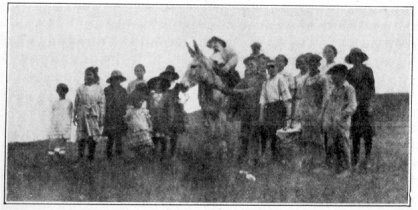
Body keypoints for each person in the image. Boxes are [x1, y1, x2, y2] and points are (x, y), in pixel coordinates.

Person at [222, 57, 265, 165]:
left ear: (257, 67)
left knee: (254, 134)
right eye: (248, 65)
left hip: (256, 109)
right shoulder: (245, 79)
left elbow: (252, 91)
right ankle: (242, 157)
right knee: (244, 134)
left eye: (252, 65)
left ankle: (254, 159)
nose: (249, 67)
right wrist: (227, 90)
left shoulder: (261, 78)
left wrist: (236, 91)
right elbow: (236, 88)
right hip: (245, 110)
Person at [321, 64, 357, 178]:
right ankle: (337, 167)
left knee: (343, 144)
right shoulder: (333, 89)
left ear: (342, 75)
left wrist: (342, 115)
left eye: (335, 75)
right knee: (333, 144)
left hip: (342, 122)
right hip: (333, 122)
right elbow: (329, 104)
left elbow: (352, 106)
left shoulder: (349, 89)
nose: (332, 78)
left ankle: (347, 168)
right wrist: (327, 117)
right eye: (331, 75)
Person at [345, 48, 375, 169]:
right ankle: (355, 160)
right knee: (355, 134)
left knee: (368, 134)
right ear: (351, 59)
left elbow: (372, 88)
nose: (356, 58)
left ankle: (367, 159)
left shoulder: (368, 71)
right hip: (354, 105)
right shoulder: (349, 72)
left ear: (361, 58)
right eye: (353, 56)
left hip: (365, 104)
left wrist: (371, 104)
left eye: (358, 56)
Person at [259, 59, 292, 162]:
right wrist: (261, 114)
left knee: (277, 133)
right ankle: (268, 156)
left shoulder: (280, 79)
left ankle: (278, 158)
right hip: (269, 108)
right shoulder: (265, 83)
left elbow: (286, 97)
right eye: (268, 67)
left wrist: (288, 114)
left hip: (278, 107)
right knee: (266, 132)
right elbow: (263, 98)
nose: (271, 69)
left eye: (273, 67)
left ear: (277, 68)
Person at [299, 53, 328, 168]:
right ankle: (308, 161)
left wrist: (322, 113)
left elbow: (326, 96)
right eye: (310, 63)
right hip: (306, 111)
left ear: (318, 64)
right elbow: (303, 96)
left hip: (317, 111)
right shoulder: (305, 79)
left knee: (317, 137)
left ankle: (319, 162)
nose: (312, 65)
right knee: (306, 137)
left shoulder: (322, 78)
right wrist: (301, 111)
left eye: (314, 63)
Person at [74, 66, 105, 161]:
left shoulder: (99, 88)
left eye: (90, 74)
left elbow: (102, 103)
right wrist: (75, 115)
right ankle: (80, 155)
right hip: (83, 113)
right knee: (82, 135)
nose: (88, 77)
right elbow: (77, 102)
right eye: (86, 75)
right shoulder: (80, 88)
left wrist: (101, 116)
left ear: (94, 76)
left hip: (94, 113)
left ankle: (91, 156)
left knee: (93, 135)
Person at [159, 65, 188, 157]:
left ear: (173, 76)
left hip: (176, 112)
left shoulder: (178, 86)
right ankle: (163, 154)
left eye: (170, 75)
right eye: (167, 75)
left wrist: (180, 101)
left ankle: (173, 154)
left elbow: (186, 96)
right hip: (165, 111)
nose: (169, 77)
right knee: (163, 132)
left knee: (174, 133)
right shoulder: (163, 87)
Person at [103, 70, 128, 160]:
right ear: (111, 80)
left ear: (120, 80)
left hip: (120, 116)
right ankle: (109, 155)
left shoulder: (123, 91)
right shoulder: (106, 90)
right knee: (110, 136)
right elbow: (103, 103)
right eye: (114, 79)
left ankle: (119, 154)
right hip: (110, 116)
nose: (116, 81)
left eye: (118, 79)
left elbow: (125, 103)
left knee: (119, 136)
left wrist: (125, 115)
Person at [147, 76, 172, 159]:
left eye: (159, 84)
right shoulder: (150, 96)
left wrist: (169, 121)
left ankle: (163, 157)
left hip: (163, 121)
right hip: (153, 120)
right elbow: (147, 108)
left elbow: (170, 109)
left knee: (163, 139)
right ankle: (154, 156)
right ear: (153, 86)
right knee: (153, 139)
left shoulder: (166, 96)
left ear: (163, 85)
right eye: (155, 84)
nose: (157, 86)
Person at [125, 83, 154, 152]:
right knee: (136, 142)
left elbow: (148, 116)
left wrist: (150, 125)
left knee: (145, 141)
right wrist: (129, 124)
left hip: (143, 125)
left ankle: (144, 153)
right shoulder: (131, 108)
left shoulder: (145, 100)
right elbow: (126, 118)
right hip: (135, 127)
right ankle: (138, 153)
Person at [48, 83, 73, 157]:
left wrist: (68, 123)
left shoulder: (69, 102)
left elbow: (70, 113)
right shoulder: (55, 103)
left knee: (62, 140)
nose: (61, 92)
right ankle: (52, 156)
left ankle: (61, 156)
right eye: (59, 91)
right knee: (54, 139)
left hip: (65, 123)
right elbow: (53, 113)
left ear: (65, 92)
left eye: (63, 91)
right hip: (56, 123)